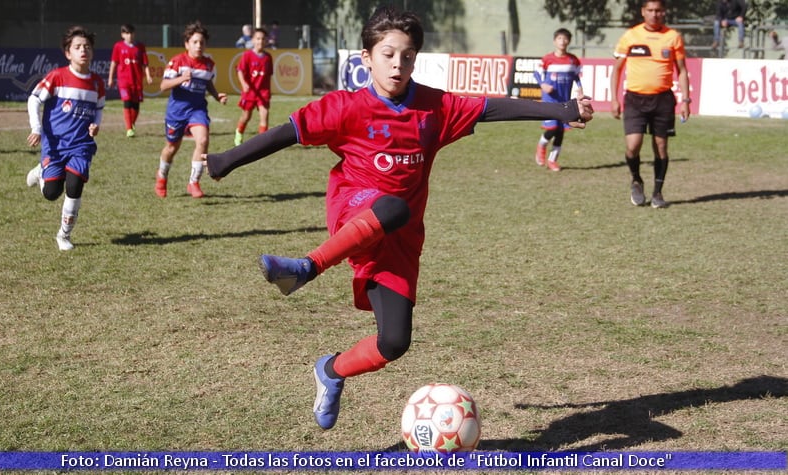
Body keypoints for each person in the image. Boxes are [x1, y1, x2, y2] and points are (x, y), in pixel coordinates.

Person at [202, 6, 593, 430]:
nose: (397, 64)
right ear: (366, 57)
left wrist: (566, 111)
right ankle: (304, 268)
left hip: (401, 239)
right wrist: (227, 159)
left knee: (393, 341)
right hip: (355, 208)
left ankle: (330, 371)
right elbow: (286, 133)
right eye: (387, 54)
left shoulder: (434, 108)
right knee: (391, 204)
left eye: (407, 56)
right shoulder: (345, 107)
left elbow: (493, 108)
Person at [25, 26, 105, 251]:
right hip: (55, 145)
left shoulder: (97, 82)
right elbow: (34, 100)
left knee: (75, 184)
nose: (83, 50)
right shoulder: (57, 77)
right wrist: (36, 128)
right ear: (68, 53)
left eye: (87, 47)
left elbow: (99, 108)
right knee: (51, 193)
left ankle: (63, 235)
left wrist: (96, 125)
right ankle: (42, 171)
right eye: (78, 47)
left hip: (81, 145)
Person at [611, 0, 690, 209]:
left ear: (663, 12)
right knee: (633, 145)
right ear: (643, 12)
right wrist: (614, 98)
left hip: (663, 99)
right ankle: (636, 179)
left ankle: (657, 193)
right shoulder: (630, 36)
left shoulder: (673, 37)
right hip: (635, 99)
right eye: (651, 10)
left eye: (658, 10)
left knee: (661, 147)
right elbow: (616, 70)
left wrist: (686, 100)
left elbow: (681, 70)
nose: (655, 14)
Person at [154, 21, 228, 199]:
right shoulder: (177, 62)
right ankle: (161, 177)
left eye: (202, 42)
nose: (199, 46)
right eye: (195, 42)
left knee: (203, 140)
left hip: (197, 110)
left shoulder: (209, 64)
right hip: (177, 112)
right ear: (187, 44)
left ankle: (193, 182)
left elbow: (207, 82)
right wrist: (180, 79)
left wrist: (217, 95)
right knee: (172, 147)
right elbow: (163, 85)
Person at [533, 28, 583, 172]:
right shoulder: (547, 59)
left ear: (569, 41)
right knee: (553, 127)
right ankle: (542, 145)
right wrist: (543, 85)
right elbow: (536, 73)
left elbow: (576, 77)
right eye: (560, 38)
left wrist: (579, 89)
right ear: (555, 41)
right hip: (550, 99)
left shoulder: (573, 60)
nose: (563, 41)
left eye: (565, 38)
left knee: (561, 130)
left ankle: (552, 160)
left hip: (565, 99)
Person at [108, 24, 153, 138]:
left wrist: (148, 75)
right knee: (127, 102)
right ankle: (129, 128)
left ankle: (131, 124)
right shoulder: (118, 46)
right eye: (127, 33)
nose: (130, 36)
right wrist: (110, 78)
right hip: (124, 81)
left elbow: (145, 63)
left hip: (137, 80)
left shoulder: (140, 47)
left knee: (135, 105)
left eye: (131, 33)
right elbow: (114, 63)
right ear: (122, 35)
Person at [234, 27, 273, 147]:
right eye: (257, 38)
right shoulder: (247, 55)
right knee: (246, 116)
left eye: (262, 39)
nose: (260, 41)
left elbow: (269, 75)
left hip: (263, 92)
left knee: (264, 115)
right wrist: (244, 84)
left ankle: (262, 144)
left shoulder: (268, 57)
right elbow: (240, 70)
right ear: (252, 40)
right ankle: (239, 132)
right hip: (250, 92)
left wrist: (268, 90)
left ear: (266, 41)